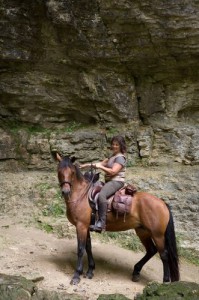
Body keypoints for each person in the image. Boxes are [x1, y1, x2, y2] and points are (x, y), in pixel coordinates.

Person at [80, 135, 127, 233]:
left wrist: (101, 167)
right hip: (109, 182)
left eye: (117, 145)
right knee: (93, 189)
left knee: (102, 195)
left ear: (121, 146)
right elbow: (100, 163)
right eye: (113, 144)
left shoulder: (120, 158)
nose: (114, 146)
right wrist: (86, 165)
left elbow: (113, 172)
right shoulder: (112, 156)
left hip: (117, 182)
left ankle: (101, 223)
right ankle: (92, 217)